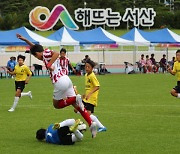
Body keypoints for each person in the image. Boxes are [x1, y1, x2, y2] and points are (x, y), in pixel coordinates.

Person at [16, 34, 97, 138]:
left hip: (59, 82)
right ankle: (91, 124)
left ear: (37, 54)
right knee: (77, 106)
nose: (37, 58)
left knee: (57, 105)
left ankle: (75, 98)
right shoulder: (44, 55)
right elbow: (35, 48)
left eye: (35, 56)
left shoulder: (45, 53)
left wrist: (49, 65)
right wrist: (26, 40)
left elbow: (56, 53)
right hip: (67, 80)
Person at [81, 59, 107, 132]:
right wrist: (85, 94)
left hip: (91, 98)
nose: (86, 68)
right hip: (86, 98)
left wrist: (89, 94)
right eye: (85, 66)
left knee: (87, 115)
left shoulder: (92, 76)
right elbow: (88, 87)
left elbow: (97, 86)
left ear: (92, 68)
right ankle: (94, 117)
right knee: (77, 109)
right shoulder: (86, 75)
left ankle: (102, 127)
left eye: (88, 67)